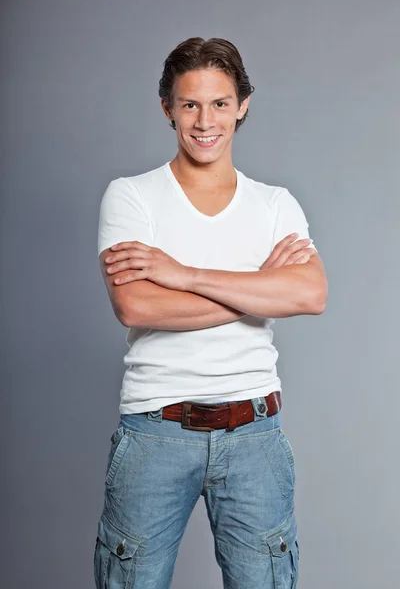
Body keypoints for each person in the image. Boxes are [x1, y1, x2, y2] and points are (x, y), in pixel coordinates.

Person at [93, 36, 328, 589]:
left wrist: (185, 275)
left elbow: (310, 295)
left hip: (255, 435)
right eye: (190, 104)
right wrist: (257, 289)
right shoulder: (131, 197)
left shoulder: (275, 204)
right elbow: (134, 305)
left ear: (242, 105)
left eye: (220, 103)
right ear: (167, 108)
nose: (205, 121)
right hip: (156, 430)